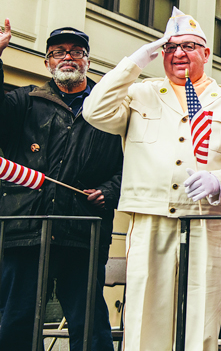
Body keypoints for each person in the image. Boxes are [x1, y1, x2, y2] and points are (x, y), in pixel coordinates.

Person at [82, 8, 221, 351]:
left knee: (202, 317)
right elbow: (94, 111)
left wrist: (219, 182)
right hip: (150, 217)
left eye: (190, 46)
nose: (179, 53)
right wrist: (136, 60)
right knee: (146, 314)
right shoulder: (139, 93)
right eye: (169, 47)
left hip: (206, 221)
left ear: (206, 54)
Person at [0, 22, 122, 351]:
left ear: (88, 61)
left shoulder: (111, 108)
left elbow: (133, 166)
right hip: (25, 230)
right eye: (58, 52)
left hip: (82, 234)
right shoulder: (23, 101)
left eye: (76, 52)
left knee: (90, 329)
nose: (67, 57)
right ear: (47, 63)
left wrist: (110, 192)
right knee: (15, 323)